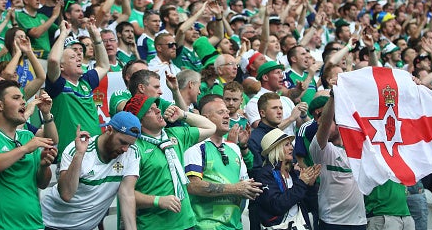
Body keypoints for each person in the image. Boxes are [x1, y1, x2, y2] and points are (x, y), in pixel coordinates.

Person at [0, 79, 57, 230]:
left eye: (23, 98)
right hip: (0, 227)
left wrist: (43, 166)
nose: (23, 102)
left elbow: (42, 183)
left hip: (35, 225)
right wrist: (24, 149)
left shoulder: (27, 137)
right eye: (16, 98)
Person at [121, 93, 216, 230]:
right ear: (139, 121)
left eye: (156, 107)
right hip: (154, 226)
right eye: (150, 110)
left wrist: (183, 114)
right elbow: (126, 194)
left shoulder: (175, 135)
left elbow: (211, 128)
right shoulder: (134, 148)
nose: (158, 110)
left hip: (187, 222)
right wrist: (157, 200)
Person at [41, 111, 141, 230]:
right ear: (109, 130)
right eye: (122, 142)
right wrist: (79, 154)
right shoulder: (76, 149)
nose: (125, 149)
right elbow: (66, 194)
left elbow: (127, 195)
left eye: (129, 144)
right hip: (50, 224)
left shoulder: (132, 152)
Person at [184, 94, 262, 230]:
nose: (227, 116)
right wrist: (235, 189)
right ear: (206, 119)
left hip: (235, 226)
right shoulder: (196, 147)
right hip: (205, 226)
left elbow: (244, 185)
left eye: (227, 112)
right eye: (220, 112)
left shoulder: (233, 147)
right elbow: (193, 186)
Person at [46, 19, 109, 158]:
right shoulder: (57, 85)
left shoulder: (85, 81)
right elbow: (53, 61)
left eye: (79, 55)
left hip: (95, 151)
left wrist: (97, 39)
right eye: (73, 57)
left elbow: (104, 66)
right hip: (70, 153)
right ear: (61, 66)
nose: (79, 57)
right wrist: (63, 34)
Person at [308, 91, 366, 229]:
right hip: (332, 222)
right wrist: (334, 96)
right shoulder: (321, 149)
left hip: (359, 221)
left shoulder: (358, 149)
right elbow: (325, 123)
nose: (321, 123)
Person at [254, 128, 321, 229]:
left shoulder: (293, 173)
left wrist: (311, 186)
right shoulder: (264, 175)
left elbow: (310, 206)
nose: (291, 148)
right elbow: (276, 205)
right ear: (276, 149)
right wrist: (302, 183)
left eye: (291, 144)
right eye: (287, 145)